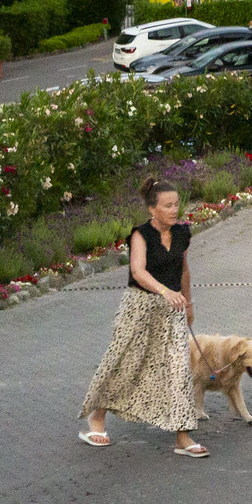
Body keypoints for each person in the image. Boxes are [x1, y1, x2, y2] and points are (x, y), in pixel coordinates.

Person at [79, 178, 207, 458]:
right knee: (124, 364)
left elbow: (184, 271)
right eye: (168, 205)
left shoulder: (183, 233)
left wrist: (188, 304)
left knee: (179, 369)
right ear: (153, 209)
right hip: (140, 307)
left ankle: (182, 437)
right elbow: (138, 271)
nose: (175, 210)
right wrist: (164, 291)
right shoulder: (141, 234)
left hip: (172, 309)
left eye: (176, 204)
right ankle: (97, 419)